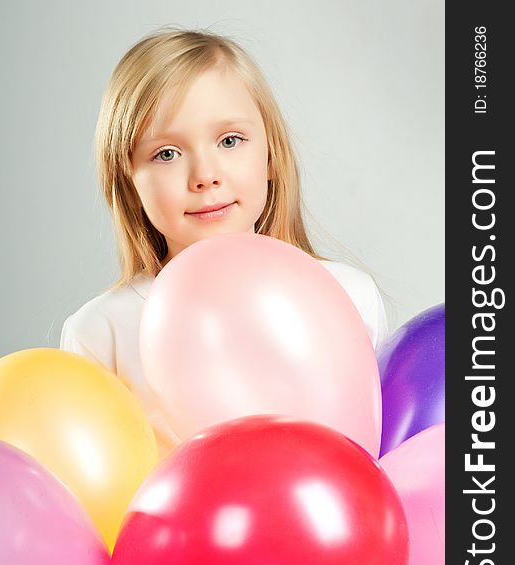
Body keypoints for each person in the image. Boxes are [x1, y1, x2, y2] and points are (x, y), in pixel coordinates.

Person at [60, 27, 389, 458]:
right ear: (129, 181)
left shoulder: (348, 297)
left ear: (270, 157)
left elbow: (375, 459)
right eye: (166, 153)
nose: (205, 175)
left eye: (229, 141)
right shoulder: (101, 334)